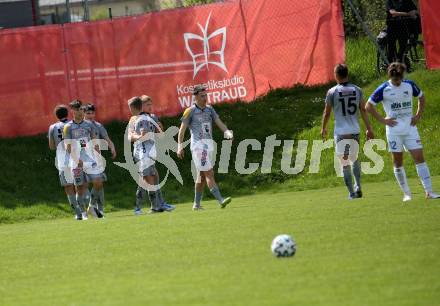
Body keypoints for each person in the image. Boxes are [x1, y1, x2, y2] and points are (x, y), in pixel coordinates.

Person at [366, 62, 440, 201]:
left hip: (410, 129)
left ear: (402, 76)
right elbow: (368, 106)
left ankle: (429, 192)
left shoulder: (410, 85)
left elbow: (422, 98)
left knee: (419, 158)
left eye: (399, 79)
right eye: (395, 80)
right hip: (394, 131)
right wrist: (383, 120)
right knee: (398, 162)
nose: (397, 82)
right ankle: (407, 194)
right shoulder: (384, 88)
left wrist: (418, 115)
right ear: (391, 77)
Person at [321, 64, 374, 199]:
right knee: (354, 159)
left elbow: (327, 113)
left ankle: (351, 193)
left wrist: (323, 128)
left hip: (341, 132)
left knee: (344, 164)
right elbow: (363, 110)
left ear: (336, 75)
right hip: (354, 130)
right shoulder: (357, 90)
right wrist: (369, 128)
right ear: (347, 74)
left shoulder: (332, 92)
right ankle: (359, 186)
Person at [177, 85, 233, 210]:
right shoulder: (190, 111)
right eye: (202, 96)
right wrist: (180, 146)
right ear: (195, 97)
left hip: (208, 146)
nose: (205, 98)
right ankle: (221, 200)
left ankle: (196, 205)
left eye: (206, 95)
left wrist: (228, 133)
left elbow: (219, 123)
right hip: (198, 146)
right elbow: (182, 131)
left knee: (201, 177)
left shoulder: (209, 109)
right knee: (209, 173)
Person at [63, 100, 104, 220]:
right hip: (75, 161)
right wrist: (76, 159)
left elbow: (95, 141)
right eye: (77, 110)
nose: (80, 112)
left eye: (81, 109)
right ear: (72, 111)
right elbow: (67, 145)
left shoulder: (89, 125)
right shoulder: (68, 127)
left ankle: (91, 206)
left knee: (98, 182)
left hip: (90, 159)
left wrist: (98, 155)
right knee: (80, 188)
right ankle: (83, 213)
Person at [127, 96, 167, 214]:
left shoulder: (153, 117)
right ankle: (155, 206)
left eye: (151, 104)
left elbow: (161, 135)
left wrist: (159, 129)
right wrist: (140, 136)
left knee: (147, 179)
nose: (150, 107)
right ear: (141, 106)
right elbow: (130, 137)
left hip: (151, 152)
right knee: (148, 179)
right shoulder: (133, 120)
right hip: (141, 153)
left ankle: (143, 206)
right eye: (147, 105)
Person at [48, 105, 84, 220]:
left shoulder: (53, 127)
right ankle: (84, 211)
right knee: (78, 185)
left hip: (62, 161)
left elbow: (52, 146)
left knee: (68, 187)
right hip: (75, 158)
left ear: (56, 116)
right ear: (68, 114)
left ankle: (78, 213)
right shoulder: (73, 125)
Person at [82, 103, 116, 217]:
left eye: (92, 113)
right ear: (83, 114)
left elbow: (106, 138)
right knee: (87, 184)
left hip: (97, 159)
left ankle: (99, 209)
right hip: (85, 159)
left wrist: (112, 147)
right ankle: (87, 209)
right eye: (88, 113)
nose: (90, 115)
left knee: (99, 183)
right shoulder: (80, 126)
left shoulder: (98, 126)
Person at [386, 0, 418, 67]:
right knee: (391, 49)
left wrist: (413, 12)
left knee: (403, 47)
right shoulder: (390, 1)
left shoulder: (407, 1)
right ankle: (390, 68)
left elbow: (414, 10)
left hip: (403, 27)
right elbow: (393, 13)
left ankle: (400, 63)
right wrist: (408, 14)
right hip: (392, 27)